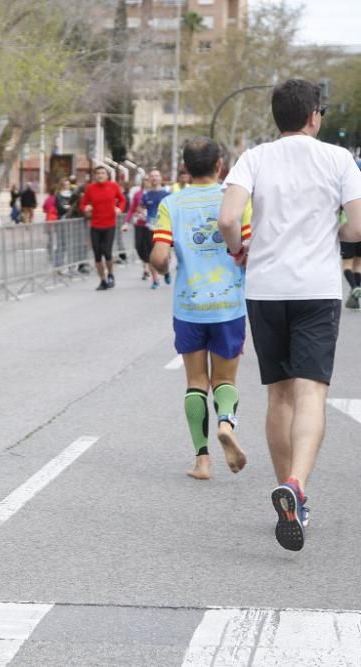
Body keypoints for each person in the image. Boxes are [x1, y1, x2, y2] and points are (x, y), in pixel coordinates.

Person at [219, 79, 361, 551]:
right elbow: (358, 223)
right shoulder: (339, 159)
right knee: (311, 393)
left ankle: (289, 493)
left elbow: (227, 219)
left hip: (265, 288)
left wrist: (239, 249)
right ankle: (297, 486)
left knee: (278, 395)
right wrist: (334, 237)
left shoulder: (255, 157)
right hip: (316, 289)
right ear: (315, 115)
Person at [151, 138, 250, 481]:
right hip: (228, 306)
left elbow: (160, 257)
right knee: (225, 379)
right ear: (220, 165)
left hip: (189, 307)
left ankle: (202, 461)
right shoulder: (236, 200)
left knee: (195, 382)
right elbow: (248, 247)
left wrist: (161, 265)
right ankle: (226, 423)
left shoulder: (171, 204)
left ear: (185, 168)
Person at [80, 166, 126, 290]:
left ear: (107, 175)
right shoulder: (90, 188)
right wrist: (86, 208)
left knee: (107, 251)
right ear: (95, 175)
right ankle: (102, 280)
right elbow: (83, 203)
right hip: (95, 225)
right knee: (97, 254)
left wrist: (119, 209)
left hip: (109, 225)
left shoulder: (113, 186)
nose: (100, 175)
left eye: (103, 173)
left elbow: (122, 200)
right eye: (98, 173)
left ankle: (110, 274)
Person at [141, 170, 172, 288]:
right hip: (150, 227)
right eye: (152, 176)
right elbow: (141, 207)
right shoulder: (146, 195)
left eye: (156, 176)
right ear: (149, 179)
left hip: (165, 227)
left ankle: (166, 271)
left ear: (160, 178)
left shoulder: (167, 193)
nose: (154, 178)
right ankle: (155, 280)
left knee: (165, 254)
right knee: (151, 254)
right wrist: (141, 213)